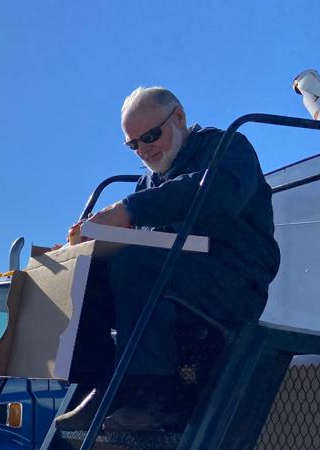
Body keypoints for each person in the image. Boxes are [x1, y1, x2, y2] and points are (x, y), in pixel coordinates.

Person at [56, 86, 280, 432]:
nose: (145, 150)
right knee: (81, 274)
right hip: (179, 283)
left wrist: (129, 209)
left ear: (178, 117)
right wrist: (85, 245)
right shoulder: (149, 182)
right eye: (134, 145)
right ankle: (103, 384)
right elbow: (144, 236)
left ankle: (159, 395)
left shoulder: (226, 147)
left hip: (234, 281)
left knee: (135, 264)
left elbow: (217, 194)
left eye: (150, 136)